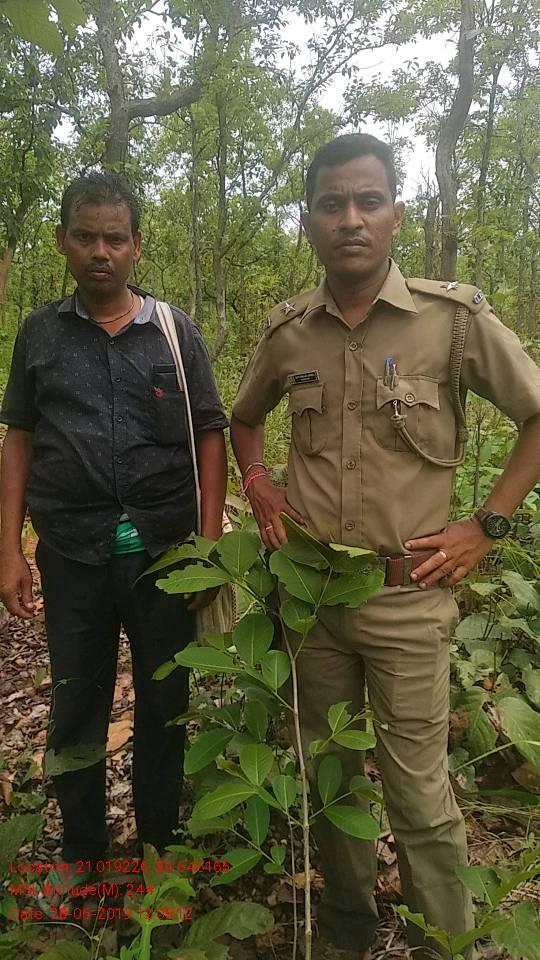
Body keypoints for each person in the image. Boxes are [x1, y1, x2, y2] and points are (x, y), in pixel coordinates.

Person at [230, 133, 540, 960]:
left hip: (408, 600)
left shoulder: (453, 322)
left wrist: (486, 525)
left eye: (368, 201)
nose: (351, 219)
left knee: (419, 795)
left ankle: (446, 942)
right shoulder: (290, 332)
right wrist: (258, 481)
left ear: (397, 215)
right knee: (328, 775)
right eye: (332, 204)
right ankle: (345, 931)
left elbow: (537, 414)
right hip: (312, 601)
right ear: (310, 220)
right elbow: (244, 418)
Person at [0, 172, 228, 887]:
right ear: (63, 242)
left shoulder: (174, 332)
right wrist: (9, 549)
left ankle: (158, 846)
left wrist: (210, 545)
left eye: (115, 238)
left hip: (165, 553)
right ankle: (83, 855)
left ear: (136, 247)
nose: (100, 251)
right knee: (77, 701)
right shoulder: (39, 333)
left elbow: (211, 433)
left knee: (165, 702)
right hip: (72, 554)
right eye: (86, 236)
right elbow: (19, 436)